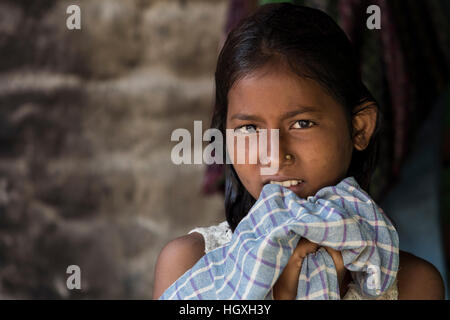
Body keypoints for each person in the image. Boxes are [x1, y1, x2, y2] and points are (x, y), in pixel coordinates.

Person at [153, 3, 444, 300]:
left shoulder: (413, 285)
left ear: (359, 128)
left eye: (302, 123)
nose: (275, 156)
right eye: (250, 128)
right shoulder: (191, 268)